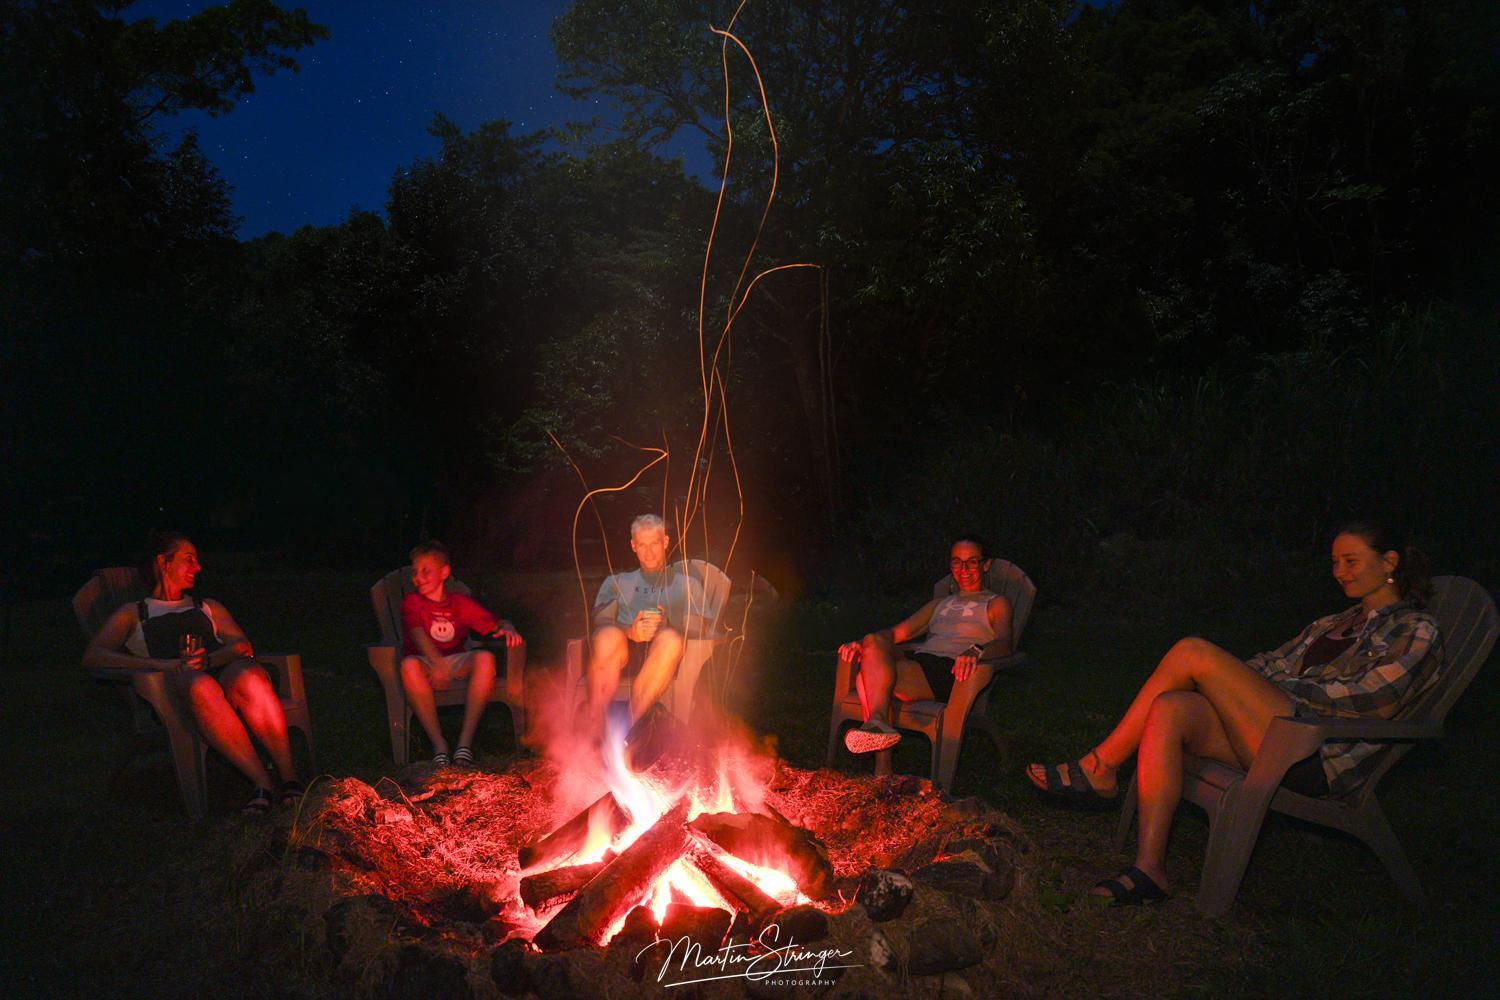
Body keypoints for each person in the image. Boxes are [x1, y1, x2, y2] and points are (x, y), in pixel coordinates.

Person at [1026, 519, 1443, 905]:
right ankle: (1149, 869)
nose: (1339, 572)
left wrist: (1253, 687)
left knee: (1192, 651)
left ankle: (1101, 766)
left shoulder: (1415, 628)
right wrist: (1233, 683)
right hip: (1274, 730)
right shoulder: (1331, 624)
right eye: (1335, 562)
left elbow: (1374, 699)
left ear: (1389, 561)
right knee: (1170, 707)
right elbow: (1269, 664)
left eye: (1351, 561)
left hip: (1314, 754)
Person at [83, 532, 302, 814]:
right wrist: (163, 665)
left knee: (250, 677)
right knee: (199, 685)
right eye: (189, 559)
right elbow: (93, 656)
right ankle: (262, 784)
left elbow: (241, 644)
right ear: (164, 563)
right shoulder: (134, 613)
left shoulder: (207, 606)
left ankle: (289, 778)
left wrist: (209, 660)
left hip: (219, 668)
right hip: (181, 686)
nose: (197, 567)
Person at [838, 536, 1013, 753]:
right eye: (957, 562)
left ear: (985, 564)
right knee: (873, 640)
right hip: (921, 662)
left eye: (972, 561)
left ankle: (882, 760)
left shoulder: (996, 603)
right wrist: (861, 643)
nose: (964, 569)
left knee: (865, 676)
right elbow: (895, 633)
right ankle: (878, 724)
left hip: (952, 672)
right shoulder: (939, 604)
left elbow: (1004, 644)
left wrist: (976, 651)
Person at [399, 540, 523, 767]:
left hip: (454, 659)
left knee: (485, 658)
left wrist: (507, 626)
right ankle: (440, 746)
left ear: (444, 572)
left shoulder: (459, 603)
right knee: (408, 665)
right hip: (424, 661)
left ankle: (464, 744)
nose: (418, 577)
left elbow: (494, 623)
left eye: (426, 571)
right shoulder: (413, 602)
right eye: (415, 572)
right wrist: (437, 665)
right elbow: (418, 635)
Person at [584, 513, 704, 737]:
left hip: (666, 661)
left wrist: (668, 622)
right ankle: (594, 730)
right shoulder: (617, 583)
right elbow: (600, 623)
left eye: (655, 544)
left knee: (670, 640)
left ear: (666, 542)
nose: (648, 552)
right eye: (642, 545)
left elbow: (702, 626)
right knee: (607, 636)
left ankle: (628, 733)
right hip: (620, 657)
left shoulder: (687, 584)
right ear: (633, 546)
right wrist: (631, 631)